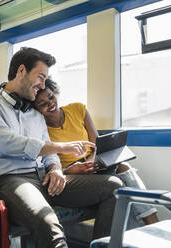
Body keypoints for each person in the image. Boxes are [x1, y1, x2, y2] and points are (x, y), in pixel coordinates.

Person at [0, 47, 124, 248]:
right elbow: (7, 143)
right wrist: (62, 147)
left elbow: (49, 155)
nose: (43, 84)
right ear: (22, 71)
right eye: (40, 77)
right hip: (9, 179)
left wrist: (56, 169)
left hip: (43, 176)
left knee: (114, 187)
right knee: (47, 222)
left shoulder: (35, 112)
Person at [34, 78, 159, 227]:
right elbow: (50, 164)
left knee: (124, 167)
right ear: (36, 109)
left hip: (94, 162)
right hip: (71, 174)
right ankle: (143, 230)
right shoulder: (40, 129)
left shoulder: (78, 109)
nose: (50, 103)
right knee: (122, 189)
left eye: (50, 97)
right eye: (42, 104)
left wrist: (91, 162)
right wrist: (72, 170)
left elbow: (96, 144)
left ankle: (152, 225)